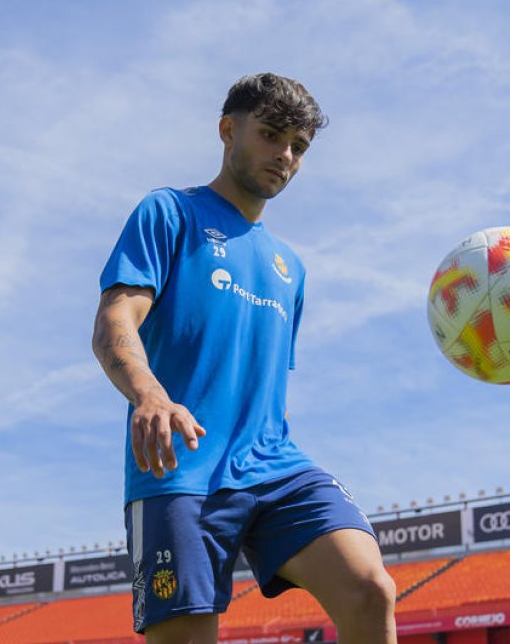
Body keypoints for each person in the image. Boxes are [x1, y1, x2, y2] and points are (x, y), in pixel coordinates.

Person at [92, 73, 397, 644]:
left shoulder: (291, 268)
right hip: (178, 469)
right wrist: (150, 394)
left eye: (299, 147)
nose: (285, 156)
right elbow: (114, 320)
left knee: (370, 589)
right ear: (228, 130)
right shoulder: (169, 213)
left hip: (273, 462)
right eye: (271, 135)